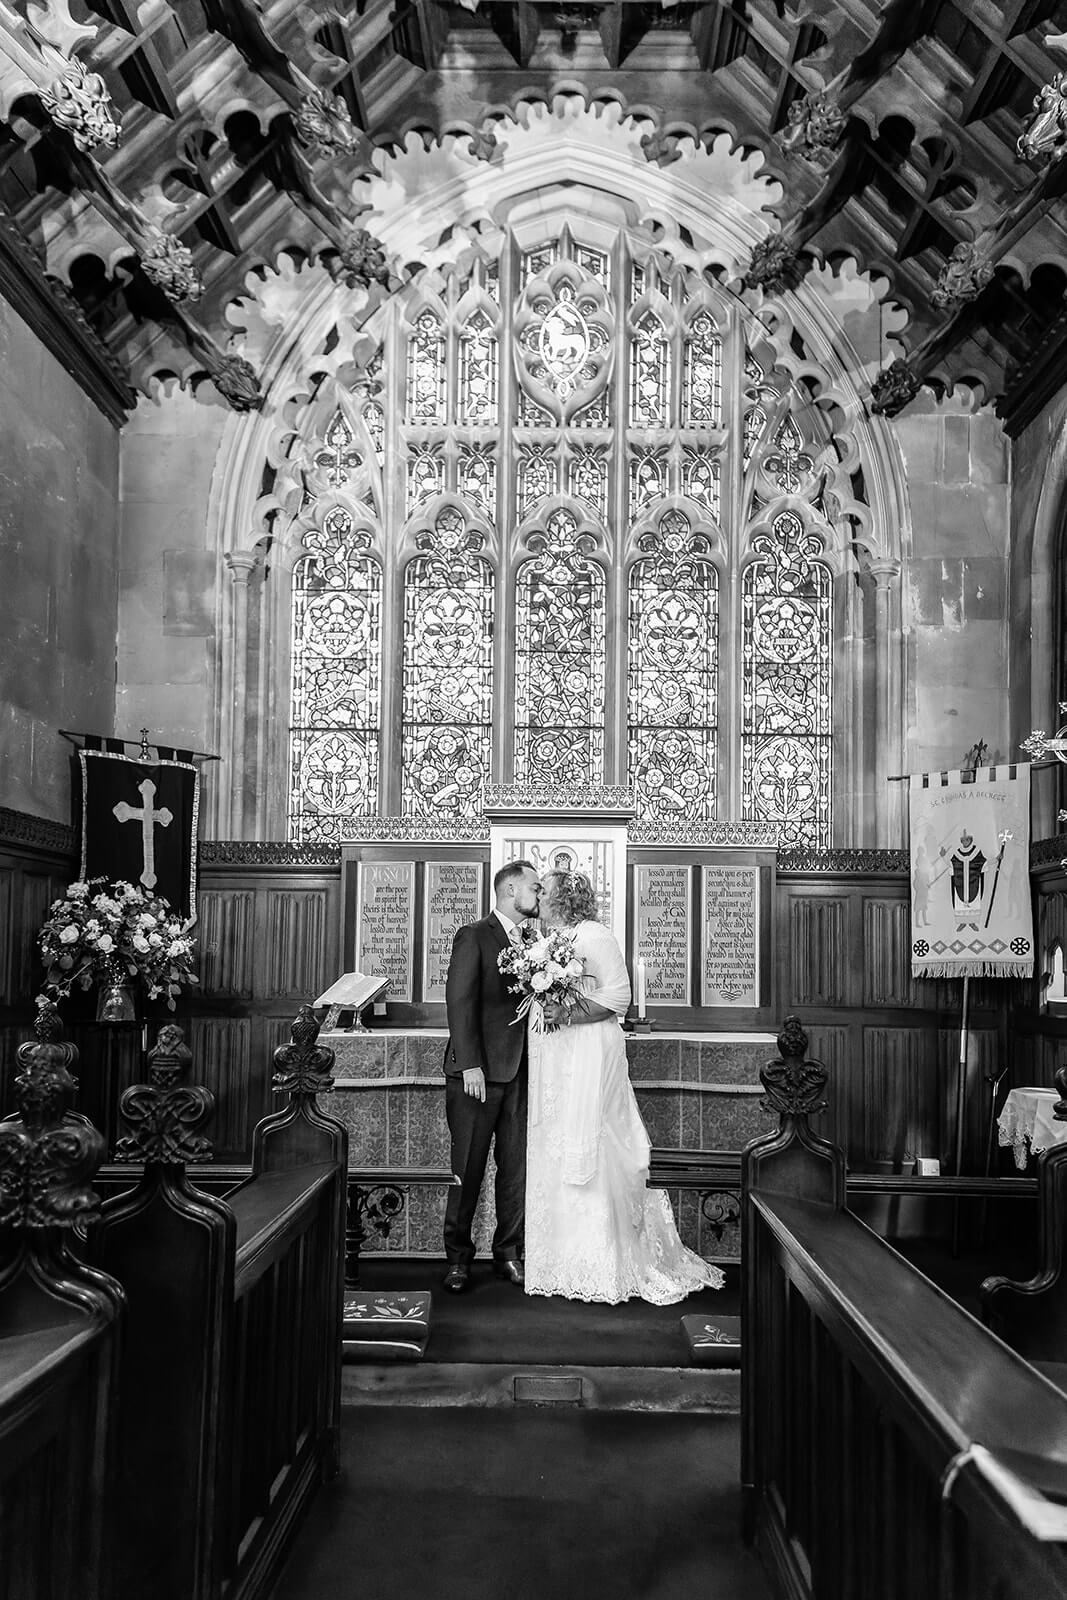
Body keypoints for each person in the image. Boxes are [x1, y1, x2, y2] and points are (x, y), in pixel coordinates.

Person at [524, 869, 723, 1305]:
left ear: (564, 899)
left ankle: (601, 1257)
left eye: (546, 891)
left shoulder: (595, 936)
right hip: (560, 1054)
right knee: (556, 1140)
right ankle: (557, 1257)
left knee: (596, 1138)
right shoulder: (552, 940)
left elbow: (618, 998)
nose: (539, 896)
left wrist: (568, 1013)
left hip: (590, 1049)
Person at [440, 859, 542, 1293]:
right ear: (509, 891)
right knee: (469, 1168)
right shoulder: (475, 935)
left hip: (521, 1072)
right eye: (534, 887)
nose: (539, 895)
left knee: (516, 1169)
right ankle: (459, 1258)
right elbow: (459, 1002)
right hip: (477, 1075)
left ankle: (508, 1252)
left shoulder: (534, 941)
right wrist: (470, 1065)